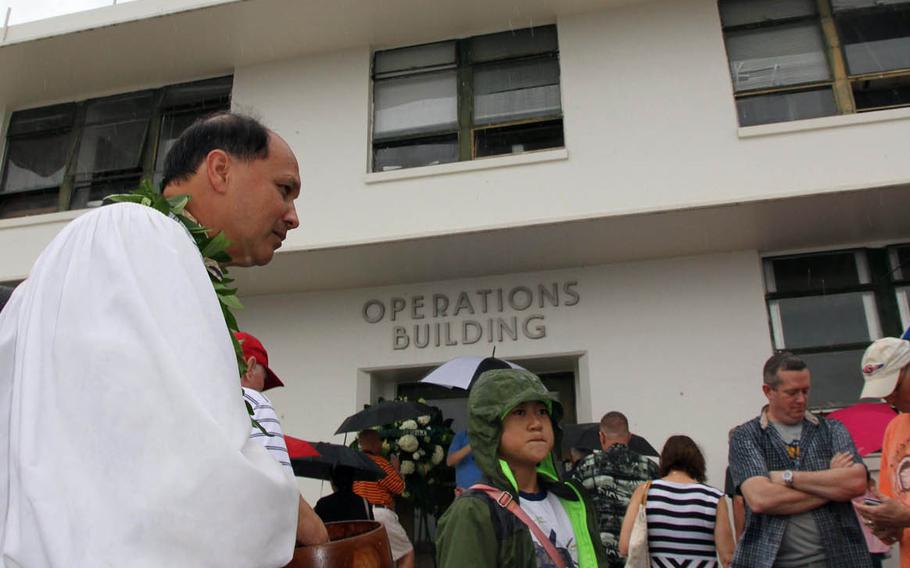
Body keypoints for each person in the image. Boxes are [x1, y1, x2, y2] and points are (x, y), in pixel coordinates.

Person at [0, 112, 328, 566]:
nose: (293, 216)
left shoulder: (128, 248)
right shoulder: (135, 232)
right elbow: (174, 451)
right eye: (284, 189)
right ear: (219, 169)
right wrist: (291, 516)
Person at [436, 368, 607, 567]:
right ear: (490, 429)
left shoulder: (572, 498)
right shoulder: (474, 511)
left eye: (542, 412)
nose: (536, 423)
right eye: (519, 412)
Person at [728, 352, 870, 568]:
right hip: (770, 562)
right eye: (792, 393)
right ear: (768, 391)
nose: (801, 400)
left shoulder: (832, 429)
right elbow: (760, 499)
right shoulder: (747, 436)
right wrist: (831, 486)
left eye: (806, 391)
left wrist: (786, 477)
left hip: (839, 559)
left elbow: (857, 483)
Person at [618, 435, 735, 567]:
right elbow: (727, 557)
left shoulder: (645, 492)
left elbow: (625, 546)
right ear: (698, 461)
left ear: (664, 460)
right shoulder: (713, 498)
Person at [569, 411, 658, 567]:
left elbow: (573, 506)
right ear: (629, 437)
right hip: (635, 555)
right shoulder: (650, 467)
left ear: (601, 437)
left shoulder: (587, 466)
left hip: (599, 555)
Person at [854, 337, 910, 566]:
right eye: (883, 392)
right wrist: (887, 525)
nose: (889, 398)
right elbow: (896, 503)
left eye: (894, 388)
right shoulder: (895, 428)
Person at [353, 429, 415, 568]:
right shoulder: (380, 463)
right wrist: (396, 470)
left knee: (374, 558)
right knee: (406, 553)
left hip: (358, 516)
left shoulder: (353, 464)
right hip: (380, 515)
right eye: (380, 441)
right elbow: (399, 488)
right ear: (374, 444)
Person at [236, 330, 293, 477]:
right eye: (265, 376)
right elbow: (278, 480)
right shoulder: (255, 403)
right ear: (250, 367)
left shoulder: (199, 401)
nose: (262, 387)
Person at [447, 428, 483, 493]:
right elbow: (450, 462)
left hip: (488, 493)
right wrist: (471, 445)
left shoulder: (492, 439)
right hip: (464, 492)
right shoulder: (461, 436)